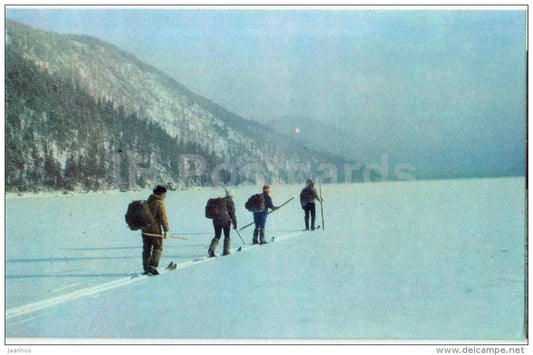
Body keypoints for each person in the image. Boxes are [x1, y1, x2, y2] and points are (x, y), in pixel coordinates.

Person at [141, 185, 170, 275]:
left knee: (147, 249)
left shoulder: (146, 202)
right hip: (155, 230)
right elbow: (163, 218)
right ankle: (153, 265)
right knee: (158, 247)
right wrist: (166, 230)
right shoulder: (159, 203)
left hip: (144, 230)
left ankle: (146, 267)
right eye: (164, 194)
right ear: (161, 194)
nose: (165, 196)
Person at [208, 187, 238, 257]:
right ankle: (226, 250)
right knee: (227, 235)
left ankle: (211, 248)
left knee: (217, 235)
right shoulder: (230, 202)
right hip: (226, 221)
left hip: (216, 220)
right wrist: (235, 223)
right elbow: (232, 214)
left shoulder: (220, 201)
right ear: (231, 195)